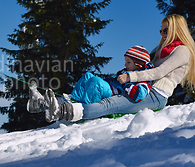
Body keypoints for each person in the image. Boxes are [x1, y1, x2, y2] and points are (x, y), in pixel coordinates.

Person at [28, 14, 195, 122]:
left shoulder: (183, 51)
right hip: (140, 87)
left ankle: (63, 112)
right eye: (161, 30)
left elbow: (159, 72)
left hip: (155, 96)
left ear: (176, 29)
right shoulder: (161, 50)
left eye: (165, 30)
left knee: (109, 103)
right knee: (95, 86)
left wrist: (130, 78)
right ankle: (42, 104)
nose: (162, 34)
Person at [69, 45, 154, 104]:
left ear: (138, 64)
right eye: (125, 62)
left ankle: (85, 106)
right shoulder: (125, 71)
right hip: (110, 87)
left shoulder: (143, 76)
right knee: (88, 75)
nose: (125, 65)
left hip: (115, 93)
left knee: (96, 82)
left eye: (128, 62)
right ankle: (74, 98)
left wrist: (125, 83)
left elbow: (139, 95)